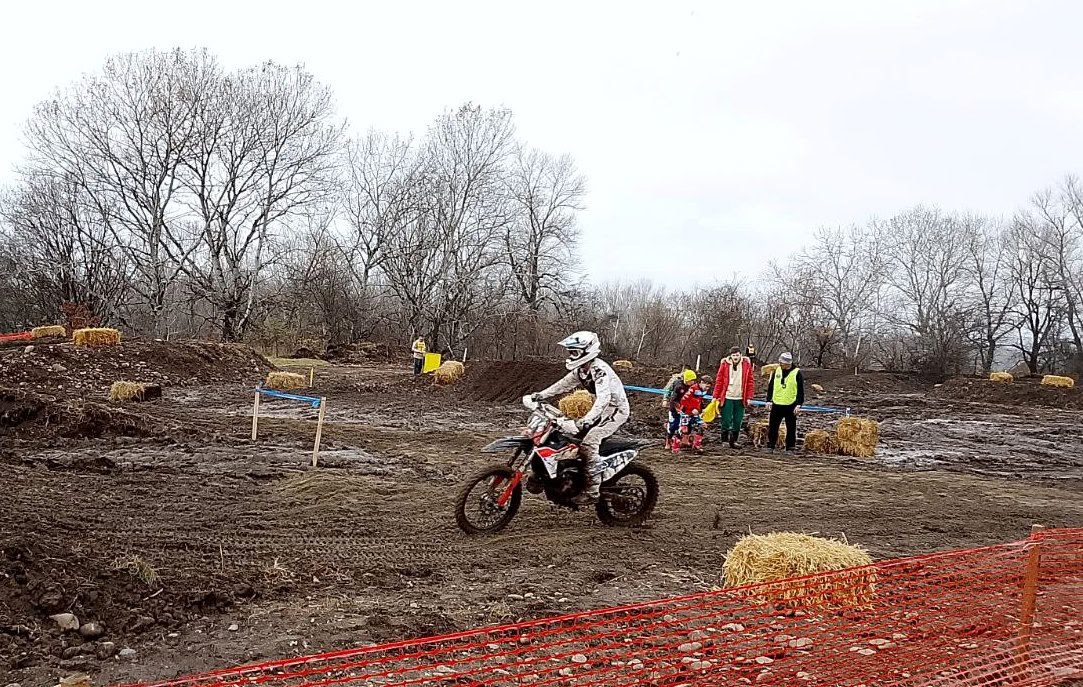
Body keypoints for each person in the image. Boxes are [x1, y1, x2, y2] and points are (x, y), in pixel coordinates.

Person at [531, 331, 630, 505]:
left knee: (588, 443)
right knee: (565, 436)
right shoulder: (581, 370)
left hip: (615, 410)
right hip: (600, 409)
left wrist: (588, 419)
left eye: (575, 352)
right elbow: (562, 384)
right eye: (571, 352)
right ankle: (570, 475)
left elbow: (604, 398)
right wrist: (541, 395)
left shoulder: (599, 371)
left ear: (588, 351)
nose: (571, 355)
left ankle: (592, 491)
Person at [713, 346, 755, 448]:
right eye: (733, 355)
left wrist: (749, 396)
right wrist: (715, 396)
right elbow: (719, 381)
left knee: (738, 420)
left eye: (737, 355)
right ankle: (724, 440)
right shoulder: (725, 365)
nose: (735, 357)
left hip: (740, 397)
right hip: (727, 396)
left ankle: (734, 440)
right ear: (730, 356)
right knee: (726, 419)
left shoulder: (746, 365)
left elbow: (750, 381)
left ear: (740, 355)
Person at [766, 352, 804, 451]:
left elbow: (801, 390)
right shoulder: (777, 371)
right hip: (776, 403)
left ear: (788, 363)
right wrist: (768, 400)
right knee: (773, 427)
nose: (780, 364)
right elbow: (771, 387)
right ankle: (771, 445)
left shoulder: (797, 373)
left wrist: (799, 404)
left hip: (791, 404)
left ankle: (790, 447)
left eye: (782, 363)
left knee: (791, 428)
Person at [674, 374, 712, 454]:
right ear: (701, 382)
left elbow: (699, 401)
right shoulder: (693, 389)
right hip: (685, 412)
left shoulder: (703, 391)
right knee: (684, 429)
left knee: (702, 426)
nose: (707, 388)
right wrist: (691, 409)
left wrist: (701, 409)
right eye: (706, 386)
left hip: (695, 413)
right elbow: (683, 401)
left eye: (709, 387)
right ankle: (675, 446)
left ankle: (696, 445)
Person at [665, 369, 697, 449]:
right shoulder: (679, 387)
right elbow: (674, 399)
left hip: (686, 408)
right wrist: (678, 409)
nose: (693, 382)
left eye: (694, 380)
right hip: (675, 408)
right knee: (673, 425)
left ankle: (685, 440)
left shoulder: (693, 387)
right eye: (691, 380)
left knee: (688, 424)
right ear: (687, 380)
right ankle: (668, 441)